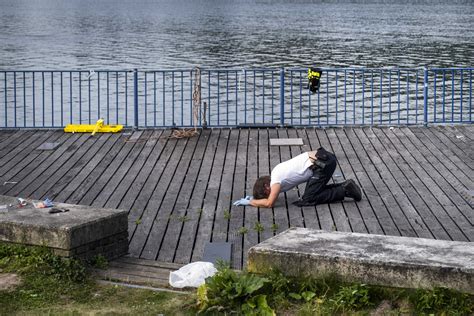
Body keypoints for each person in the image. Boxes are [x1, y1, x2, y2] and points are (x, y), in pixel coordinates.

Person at [233, 147, 362, 208]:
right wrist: (254, 198)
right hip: (324, 158)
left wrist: (250, 202)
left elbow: (269, 203)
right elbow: (270, 197)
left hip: (322, 164)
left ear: (267, 186)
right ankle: (346, 186)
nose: (269, 195)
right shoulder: (276, 174)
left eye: (266, 193)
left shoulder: (276, 180)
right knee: (314, 191)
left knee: (308, 198)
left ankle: (345, 190)